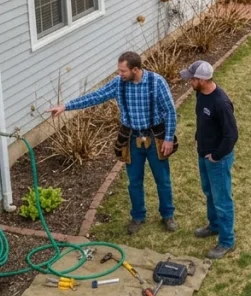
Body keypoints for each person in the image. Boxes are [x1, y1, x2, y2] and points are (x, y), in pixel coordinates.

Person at [49, 52, 177, 236]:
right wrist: (65, 106)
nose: (120, 74)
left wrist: (168, 138)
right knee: (134, 181)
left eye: (123, 71)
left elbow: (170, 111)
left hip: (155, 137)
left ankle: (167, 215)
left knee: (162, 179)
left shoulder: (156, 82)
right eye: (119, 70)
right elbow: (96, 96)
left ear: (135, 69)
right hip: (131, 139)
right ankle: (138, 216)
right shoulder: (119, 84)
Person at [180, 60, 238, 259]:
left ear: (202, 80)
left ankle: (227, 241)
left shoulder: (220, 103)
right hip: (203, 155)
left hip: (217, 160)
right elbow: (203, 121)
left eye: (192, 79)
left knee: (222, 199)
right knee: (209, 193)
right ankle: (214, 226)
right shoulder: (200, 94)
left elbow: (231, 135)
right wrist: (199, 139)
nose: (189, 82)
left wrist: (216, 156)